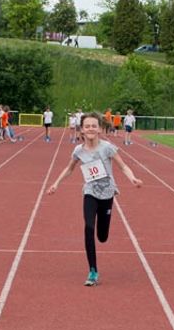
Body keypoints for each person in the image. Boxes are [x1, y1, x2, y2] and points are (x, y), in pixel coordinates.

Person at [47, 111, 142, 286]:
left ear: (99, 129)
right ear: (81, 130)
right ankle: (93, 271)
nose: (90, 128)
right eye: (87, 126)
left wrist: (132, 178)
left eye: (93, 126)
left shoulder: (107, 148)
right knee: (89, 227)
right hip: (90, 192)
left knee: (102, 236)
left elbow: (122, 166)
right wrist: (56, 183)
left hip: (107, 194)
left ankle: (102, 232)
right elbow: (69, 169)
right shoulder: (78, 150)